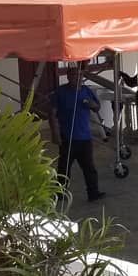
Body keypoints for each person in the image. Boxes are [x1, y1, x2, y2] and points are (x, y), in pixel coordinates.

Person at [49, 62, 105, 202]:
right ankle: (60, 194)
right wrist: (55, 133)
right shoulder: (60, 92)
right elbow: (52, 113)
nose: (78, 78)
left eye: (80, 76)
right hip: (67, 137)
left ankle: (93, 193)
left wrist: (91, 105)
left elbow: (97, 107)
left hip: (84, 137)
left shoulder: (86, 90)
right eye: (74, 75)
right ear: (68, 77)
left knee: (89, 167)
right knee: (64, 167)